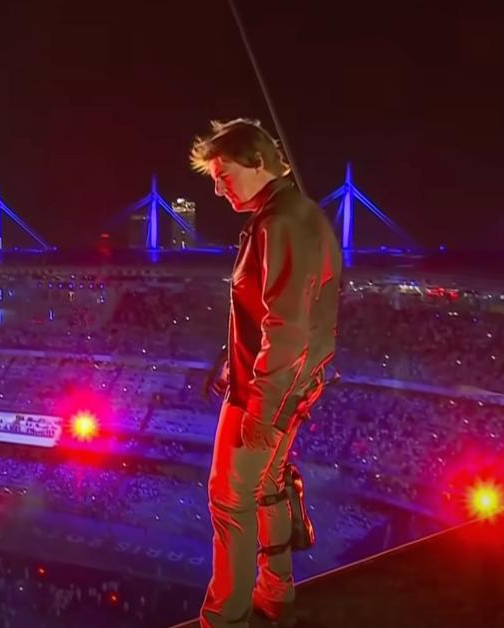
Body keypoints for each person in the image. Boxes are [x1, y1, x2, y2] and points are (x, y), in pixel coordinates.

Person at [190, 118, 342, 628]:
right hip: (274, 384)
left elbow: (287, 326)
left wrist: (261, 407)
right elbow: (265, 312)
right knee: (269, 484)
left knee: (228, 501)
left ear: (256, 161)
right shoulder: (287, 215)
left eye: (223, 174)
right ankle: (276, 595)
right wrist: (226, 361)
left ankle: (225, 617)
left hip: (266, 391)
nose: (217, 187)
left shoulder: (281, 223)